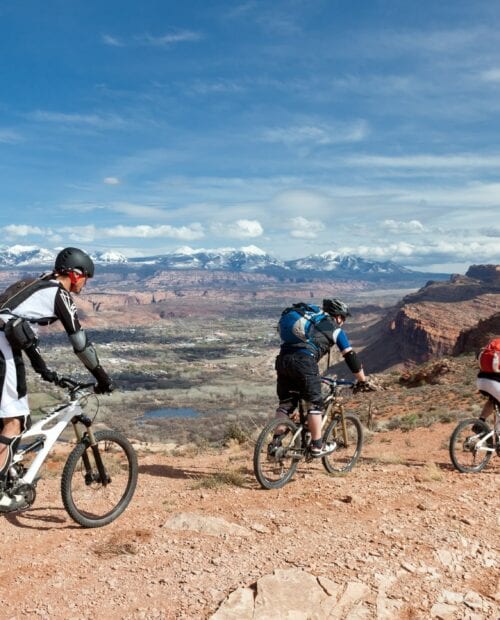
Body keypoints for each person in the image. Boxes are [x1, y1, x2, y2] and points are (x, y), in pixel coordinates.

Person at [0, 247, 114, 512]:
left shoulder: (36, 283)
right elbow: (80, 343)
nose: (85, 283)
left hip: (6, 342)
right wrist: (102, 377)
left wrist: (45, 371)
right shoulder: (58, 294)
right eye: (86, 277)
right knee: (15, 422)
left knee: (7, 419)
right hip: (2, 347)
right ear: (74, 275)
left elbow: (19, 328)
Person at [274, 298, 370, 458]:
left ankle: (274, 445)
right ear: (338, 316)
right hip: (304, 362)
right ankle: (317, 446)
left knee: (285, 405)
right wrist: (362, 381)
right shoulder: (335, 329)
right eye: (344, 318)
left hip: (283, 360)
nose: (343, 322)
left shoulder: (311, 319)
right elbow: (351, 357)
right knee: (315, 405)